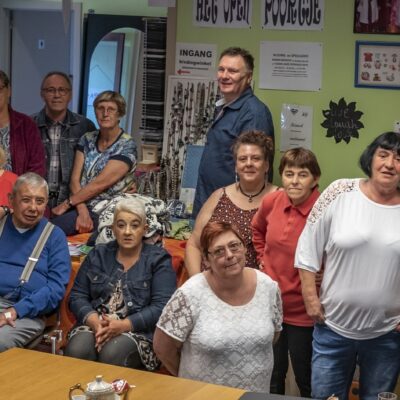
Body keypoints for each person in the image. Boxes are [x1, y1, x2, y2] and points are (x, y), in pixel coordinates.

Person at [295, 131, 400, 400]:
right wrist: (310, 299)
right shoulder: (340, 191)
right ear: (371, 157)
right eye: (384, 155)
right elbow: (308, 246)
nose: (390, 164)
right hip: (332, 329)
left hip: (386, 335)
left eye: (399, 158)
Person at [154, 221, 282, 392]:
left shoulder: (268, 287)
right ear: (206, 260)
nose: (229, 255)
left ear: (244, 248)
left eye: (234, 246)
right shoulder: (190, 294)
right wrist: (191, 382)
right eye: (219, 251)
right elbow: (163, 348)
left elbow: (274, 334)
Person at [65, 197, 176, 370]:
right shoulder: (98, 254)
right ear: (113, 229)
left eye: (135, 225)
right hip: (97, 325)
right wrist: (94, 322)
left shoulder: (158, 260)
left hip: (138, 331)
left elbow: (162, 307)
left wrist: (124, 325)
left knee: (112, 352)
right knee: (78, 349)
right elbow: (77, 296)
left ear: (144, 229)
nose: (127, 231)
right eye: (121, 225)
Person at [252, 148, 321, 398]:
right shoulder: (272, 201)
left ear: (315, 179)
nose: (294, 181)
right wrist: (262, 257)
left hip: (303, 310)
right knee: (273, 372)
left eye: (303, 175)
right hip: (271, 305)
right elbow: (257, 230)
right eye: (289, 173)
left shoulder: (324, 210)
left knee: (306, 375)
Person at [192, 47, 274, 217]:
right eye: (221, 69)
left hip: (232, 211)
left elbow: (253, 170)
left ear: (249, 77)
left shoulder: (253, 113)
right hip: (209, 201)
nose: (224, 76)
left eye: (233, 71)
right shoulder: (224, 107)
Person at [185, 130, 278, 276]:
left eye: (255, 158)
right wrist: (197, 285)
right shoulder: (219, 196)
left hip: (255, 290)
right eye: (242, 159)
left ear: (266, 165)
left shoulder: (281, 199)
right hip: (211, 288)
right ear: (235, 166)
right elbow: (194, 244)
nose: (248, 164)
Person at [0, 172, 70, 352]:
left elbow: (55, 290)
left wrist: (16, 310)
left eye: (40, 201)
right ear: (11, 200)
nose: (33, 208)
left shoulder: (54, 236)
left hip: (25, 314)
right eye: (26, 200)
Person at [51, 90, 137, 236]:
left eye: (111, 109)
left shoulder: (127, 145)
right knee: (44, 227)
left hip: (109, 210)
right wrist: (82, 210)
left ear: (120, 114)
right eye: (100, 108)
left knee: (51, 231)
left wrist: (67, 204)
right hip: (81, 205)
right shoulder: (87, 138)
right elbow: (74, 181)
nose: (105, 113)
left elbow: (99, 184)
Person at [32, 71, 96, 209]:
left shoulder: (85, 126)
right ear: (42, 94)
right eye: (51, 90)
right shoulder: (29, 125)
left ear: (70, 95)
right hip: (36, 201)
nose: (57, 95)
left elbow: (97, 165)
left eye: (62, 90)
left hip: (73, 203)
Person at [0, 70, 46, 177]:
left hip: (19, 191)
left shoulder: (26, 124)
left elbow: (37, 166)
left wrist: (21, 191)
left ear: (9, 91)